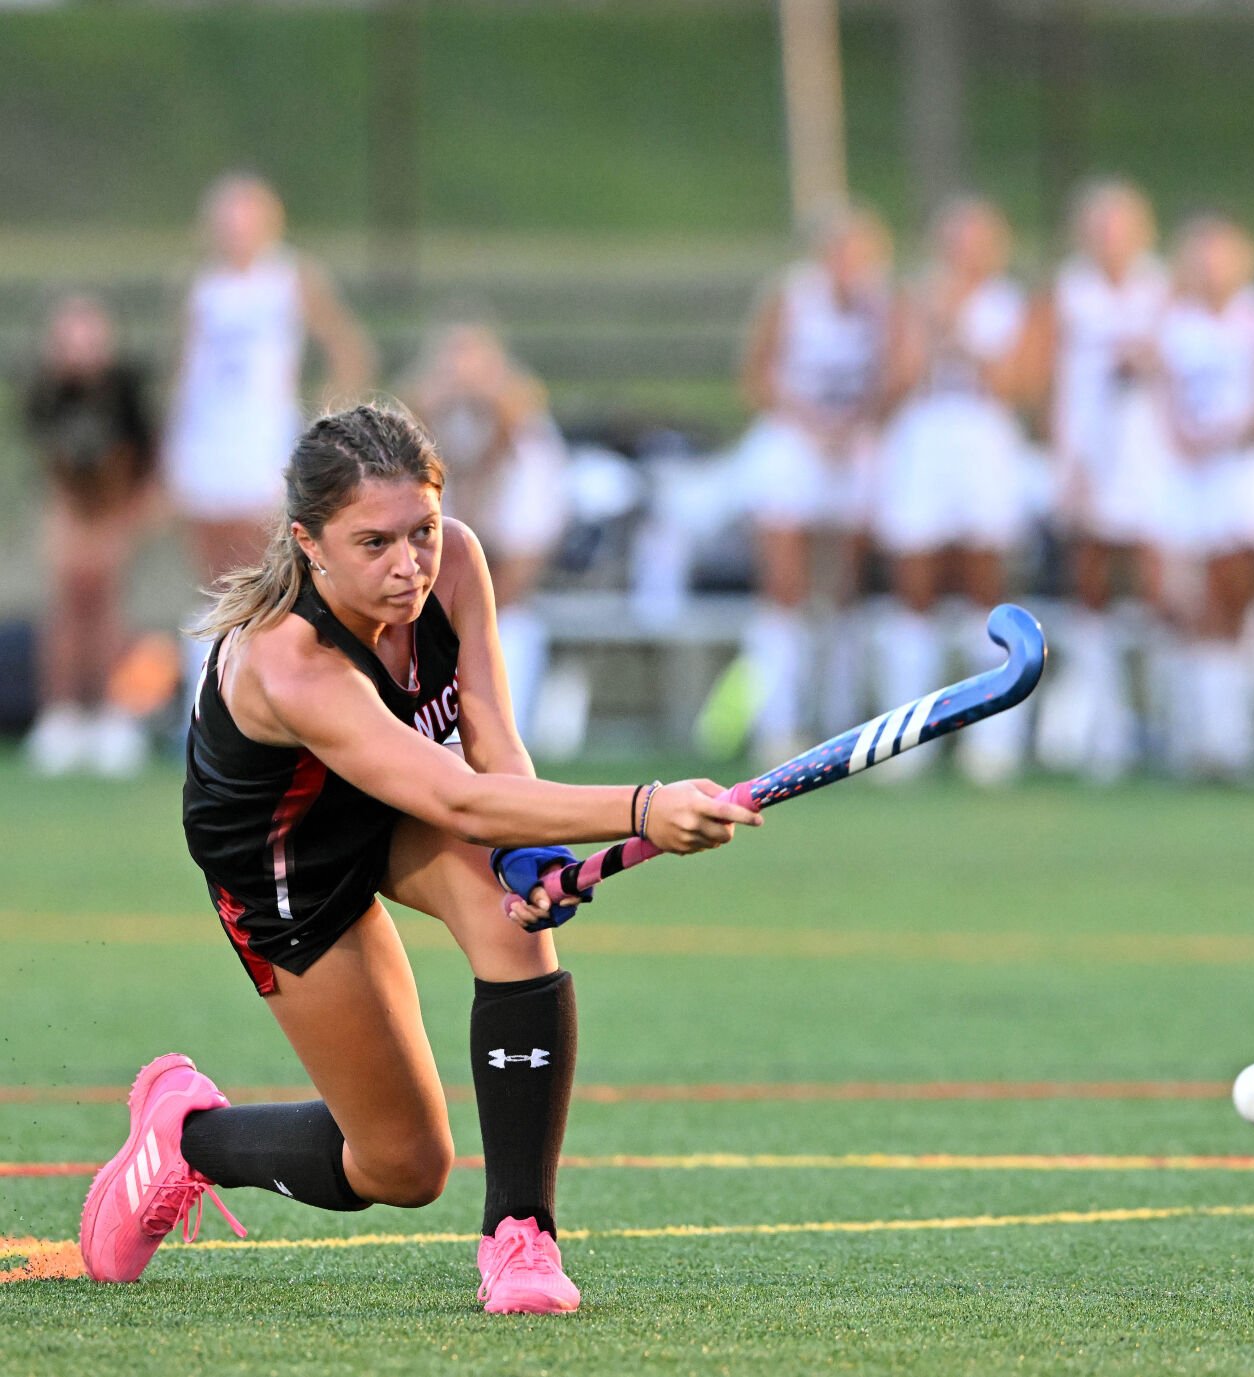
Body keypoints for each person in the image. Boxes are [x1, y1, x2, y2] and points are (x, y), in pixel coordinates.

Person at [78, 404, 761, 1313]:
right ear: (309, 544)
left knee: (510, 922)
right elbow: (454, 797)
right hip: (289, 869)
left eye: (422, 532)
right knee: (404, 1164)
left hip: (390, 800)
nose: (409, 566)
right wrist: (643, 806)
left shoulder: (458, 566)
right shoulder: (293, 662)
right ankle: (189, 1138)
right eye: (374, 543)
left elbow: (491, 747)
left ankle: (522, 1238)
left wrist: (532, 857)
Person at [163, 174, 373, 684]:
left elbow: (349, 349)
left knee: (261, 564)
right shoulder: (203, 286)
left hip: (260, 440)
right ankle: (213, 686)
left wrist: (319, 424)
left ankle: (267, 682)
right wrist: (171, 440)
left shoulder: (290, 277)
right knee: (211, 574)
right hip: (206, 436)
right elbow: (186, 366)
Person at [737, 204, 911, 763]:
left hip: (855, 444)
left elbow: (900, 374)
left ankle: (841, 720)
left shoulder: (885, 305)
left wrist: (857, 421)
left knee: (846, 587)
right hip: (795, 441)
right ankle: (778, 721)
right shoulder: (791, 298)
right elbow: (759, 374)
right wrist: (814, 424)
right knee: (784, 586)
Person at [872, 196, 1035, 782]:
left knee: (983, 583)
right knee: (912, 585)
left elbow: (1015, 383)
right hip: (923, 440)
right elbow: (891, 382)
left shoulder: (1012, 304)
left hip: (983, 444)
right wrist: (923, 334)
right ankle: (899, 742)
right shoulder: (912, 302)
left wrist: (958, 332)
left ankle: (992, 738)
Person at [1144, 213, 1254, 780]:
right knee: (1189, 602)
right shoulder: (1172, 320)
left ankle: (1236, 734)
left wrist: (1221, 436)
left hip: (1238, 473)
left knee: (1235, 595)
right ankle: (1202, 734)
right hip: (1187, 478)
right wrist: (1182, 436)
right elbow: (1160, 390)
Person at [1022, 179, 1169, 781]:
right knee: (1091, 590)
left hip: (1155, 457)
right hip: (1090, 457)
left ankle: (1169, 723)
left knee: (1161, 590)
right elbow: (1042, 378)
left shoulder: (1164, 288)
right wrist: (1064, 457)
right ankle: (1101, 729)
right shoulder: (1067, 292)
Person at [405, 323, 570, 744]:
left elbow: (520, 562)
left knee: (506, 619)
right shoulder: (417, 449)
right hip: (430, 611)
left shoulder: (531, 450)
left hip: (497, 603)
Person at [22, 295, 157, 777]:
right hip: (70, 510)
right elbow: (51, 461)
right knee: (65, 612)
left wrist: (129, 518)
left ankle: (114, 715)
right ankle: (60, 715)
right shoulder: (46, 391)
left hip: (117, 507)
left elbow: (144, 457)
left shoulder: (124, 388)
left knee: (109, 612)